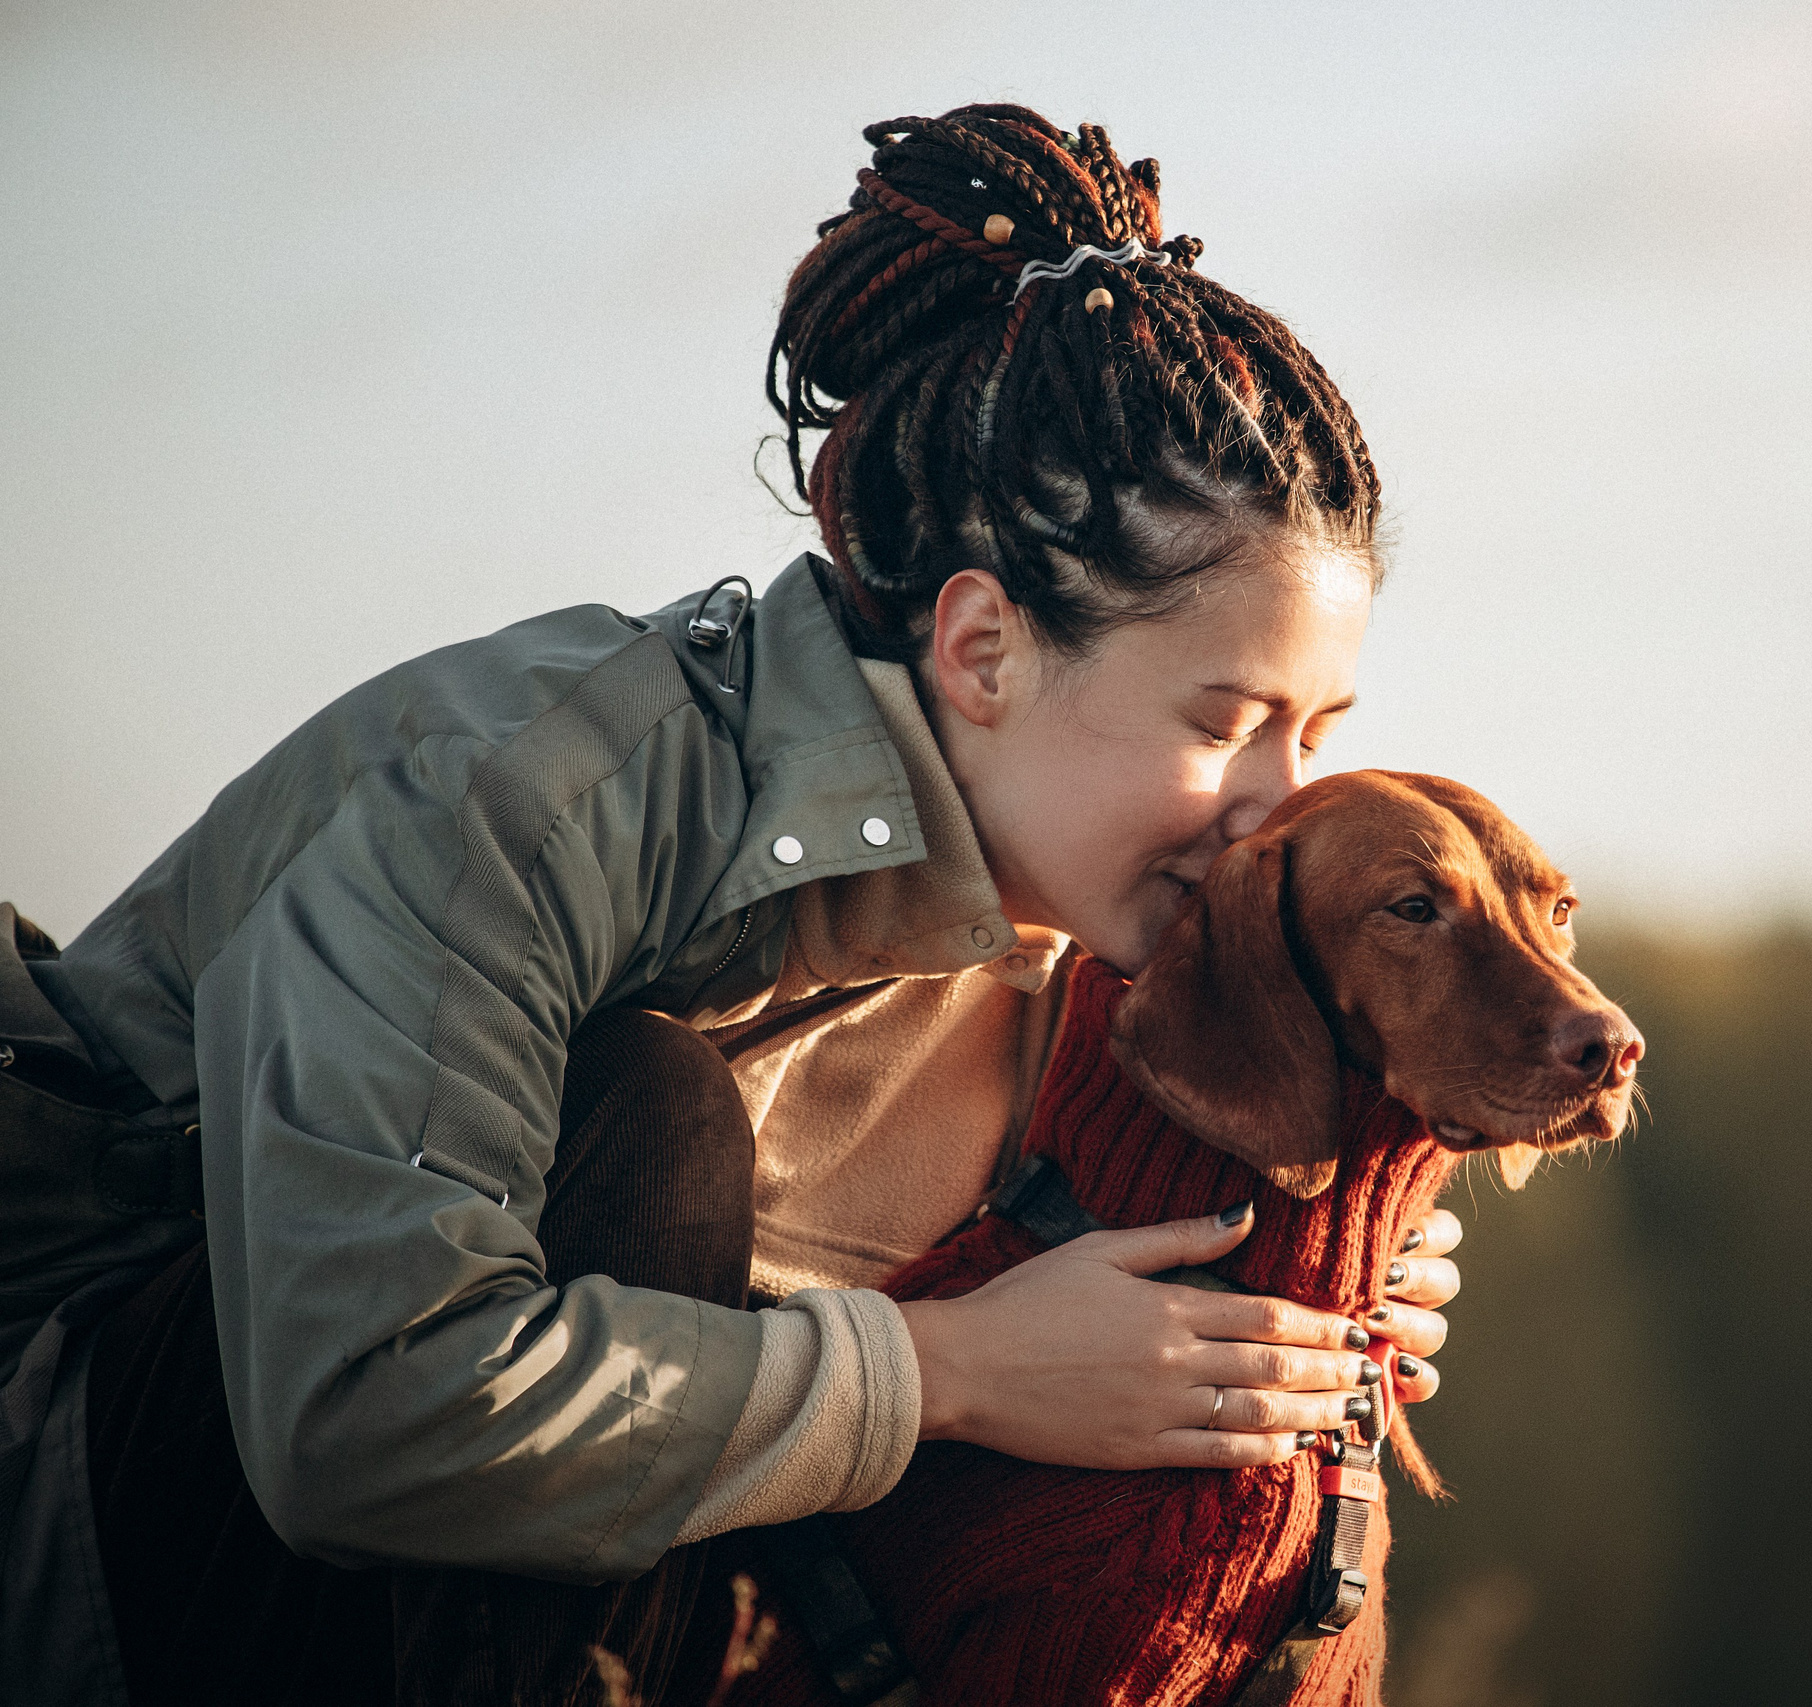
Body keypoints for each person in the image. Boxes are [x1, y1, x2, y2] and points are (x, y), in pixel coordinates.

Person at [0, 104, 1464, 1705]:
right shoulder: (525, 797)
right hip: (99, 1525)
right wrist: (954, 1371)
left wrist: (1306, 1280)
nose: (1280, 797)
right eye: (1221, 722)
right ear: (982, 650)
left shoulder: (1083, 943)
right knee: (644, 1113)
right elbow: (362, 1419)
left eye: (1317, 732)